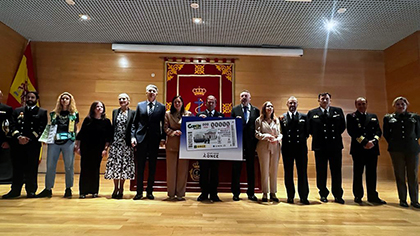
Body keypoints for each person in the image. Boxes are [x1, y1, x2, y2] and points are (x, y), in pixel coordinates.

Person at [2, 91, 47, 199]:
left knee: (31, 169)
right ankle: (15, 190)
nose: (30, 99)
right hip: (18, 144)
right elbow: (12, 125)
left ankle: (31, 191)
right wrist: (18, 137)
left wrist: (29, 138)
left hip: (33, 145)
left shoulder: (41, 112)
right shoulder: (17, 111)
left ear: (37, 99)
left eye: (32, 97)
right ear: (25, 99)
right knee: (17, 168)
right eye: (28, 97)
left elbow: (42, 128)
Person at [37, 92, 79, 198]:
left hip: (69, 141)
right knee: (50, 165)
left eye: (67, 98)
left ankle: (68, 188)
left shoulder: (74, 114)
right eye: (62, 98)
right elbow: (50, 127)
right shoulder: (54, 114)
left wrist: (77, 142)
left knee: (69, 166)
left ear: (70, 101)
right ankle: (48, 188)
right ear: (59, 100)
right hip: (54, 141)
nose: (64, 100)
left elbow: (76, 128)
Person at [307, 92, 346, 204]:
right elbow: (309, 129)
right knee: (321, 171)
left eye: (327, 99)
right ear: (318, 100)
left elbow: (342, 126)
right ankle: (323, 193)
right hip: (320, 147)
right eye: (322, 99)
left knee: (336, 171)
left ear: (330, 100)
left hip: (335, 146)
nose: (325, 101)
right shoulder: (312, 113)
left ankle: (338, 195)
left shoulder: (337, 111)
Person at [347, 97, 386, 204]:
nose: (361, 106)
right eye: (359, 104)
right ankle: (358, 195)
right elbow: (352, 132)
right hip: (358, 149)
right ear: (355, 105)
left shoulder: (373, 116)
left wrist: (373, 142)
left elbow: (378, 131)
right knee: (358, 173)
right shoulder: (351, 116)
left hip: (372, 149)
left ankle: (372, 196)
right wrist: (365, 142)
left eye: (363, 103)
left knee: (372, 174)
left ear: (366, 104)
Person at [383, 96, 420, 208]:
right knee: (400, 174)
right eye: (398, 104)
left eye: (402, 104)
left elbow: (418, 133)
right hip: (396, 150)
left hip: (412, 149)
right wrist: (395, 142)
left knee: (412, 174)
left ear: (406, 105)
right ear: (394, 106)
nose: (400, 106)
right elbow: (386, 134)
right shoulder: (388, 118)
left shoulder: (415, 117)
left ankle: (414, 200)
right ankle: (402, 199)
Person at [131, 84, 166, 200]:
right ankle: (139, 192)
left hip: (154, 140)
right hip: (141, 139)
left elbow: (163, 125)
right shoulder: (140, 106)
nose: (151, 93)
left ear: (157, 93)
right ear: (146, 93)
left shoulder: (161, 107)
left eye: (153, 91)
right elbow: (134, 123)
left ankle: (150, 191)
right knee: (140, 166)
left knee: (152, 166)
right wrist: (133, 136)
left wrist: (162, 138)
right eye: (149, 91)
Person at [75, 101, 112, 199]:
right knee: (85, 169)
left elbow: (108, 137)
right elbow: (81, 135)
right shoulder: (88, 120)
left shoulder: (106, 122)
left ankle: (94, 191)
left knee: (95, 169)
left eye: (101, 106)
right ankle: (83, 191)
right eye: (97, 106)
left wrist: (105, 149)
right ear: (93, 108)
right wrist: (77, 147)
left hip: (98, 149)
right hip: (86, 148)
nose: (99, 108)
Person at [104, 93, 135, 199]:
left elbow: (133, 127)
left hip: (126, 144)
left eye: (124, 98)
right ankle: (115, 187)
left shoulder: (133, 113)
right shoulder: (115, 112)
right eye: (120, 99)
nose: (122, 100)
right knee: (115, 166)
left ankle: (121, 188)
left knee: (124, 167)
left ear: (128, 101)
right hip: (116, 143)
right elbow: (113, 127)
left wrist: (133, 138)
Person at [280, 96, 310, 205]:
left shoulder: (304, 116)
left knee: (302, 173)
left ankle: (303, 196)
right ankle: (290, 196)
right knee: (288, 173)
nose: (292, 105)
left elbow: (307, 132)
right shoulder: (282, 118)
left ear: (297, 104)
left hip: (300, 149)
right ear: (287, 105)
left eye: (294, 103)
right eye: (290, 103)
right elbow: (281, 132)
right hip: (287, 148)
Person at [231, 90, 260, 201]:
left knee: (251, 169)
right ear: (240, 98)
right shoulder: (235, 110)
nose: (244, 98)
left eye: (246, 96)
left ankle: (251, 193)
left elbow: (258, 127)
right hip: (238, 143)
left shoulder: (256, 111)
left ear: (250, 98)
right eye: (242, 96)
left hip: (251, 144)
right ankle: (236, 193)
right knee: (236, 169)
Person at [196, 95, 224, 202]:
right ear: (206, 103)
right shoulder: (199, 115)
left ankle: (214, 194)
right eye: (209, 102)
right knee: (203, 171)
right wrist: (199, 120)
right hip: (203, 149)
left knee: (214, 172)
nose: (211, 104)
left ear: (216, 104)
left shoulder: (220, 115)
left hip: (216, 149)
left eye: (213, 102)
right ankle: (203, 193)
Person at [164, 95, 192, 201]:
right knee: (171, 171)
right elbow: (165, 128)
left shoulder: (188, 114)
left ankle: (180, 194)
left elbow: (193, 127)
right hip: (171, 145)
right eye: (175, 102)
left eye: (179, 102)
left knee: (182, 171)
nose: (177, 104)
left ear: (182, 103)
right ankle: (171, 193)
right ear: (173, 103)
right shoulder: (167, 114)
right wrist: (173, 132)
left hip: (184, 145)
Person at [255, 101, 282, 203]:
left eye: (271, 106)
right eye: (268, 106)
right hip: (263, 146)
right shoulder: (259, 120)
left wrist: (277, 139)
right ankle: (265, 192)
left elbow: (280, 134)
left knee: (274, 170)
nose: (270, 108)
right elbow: (257, 134)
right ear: (264, 108)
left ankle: (273, 192)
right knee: (264, 169)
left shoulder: (276, 120)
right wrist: (266, 136)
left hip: (275, 146)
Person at [0, 90, 13, 182]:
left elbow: (10, 126)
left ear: (1, 96)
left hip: (2, 140)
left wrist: (8, 140)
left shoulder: (7, 109)